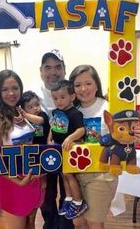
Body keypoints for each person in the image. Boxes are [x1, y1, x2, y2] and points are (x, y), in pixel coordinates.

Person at [69, 64, 140, 229]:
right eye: (77, 85)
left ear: (96, 84)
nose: (83, 89)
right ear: (72, 88)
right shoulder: (71, 110)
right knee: (79, 222)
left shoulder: (110, 108)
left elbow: (127, 135)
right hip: (77, 174)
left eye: (88, 83)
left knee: (94, 222)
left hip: (102, 174)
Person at [0, 69, 45, 229]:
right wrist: (17, 181)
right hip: (12, 181)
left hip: (31, 177)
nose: (11, 93)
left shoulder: (22, 112)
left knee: (30, 224)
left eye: (15, 88)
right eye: (5, 89)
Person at [38, 50, 74, 229]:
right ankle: (49, 224)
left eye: (58, 67)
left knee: (69, 191)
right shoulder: (33, 96)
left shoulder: (73, 94)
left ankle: (65, 224)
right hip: (44, 156)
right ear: (41, 71)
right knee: (47, 195)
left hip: (68, 154)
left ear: (64, 69)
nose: (53, 72)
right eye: (48, 67)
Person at [47, 80, 88, 220]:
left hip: (70, 149)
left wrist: (70, 138)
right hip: (59, 148)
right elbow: (53, 127)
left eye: (62, 97)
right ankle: (69, 199)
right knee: (63, 175)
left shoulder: (75, 114)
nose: (58, 101)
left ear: (72, 97)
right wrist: (49, 140)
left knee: (69, 175)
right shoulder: (56, 112)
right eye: (55, 98)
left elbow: (81, 130)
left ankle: (78, 202)